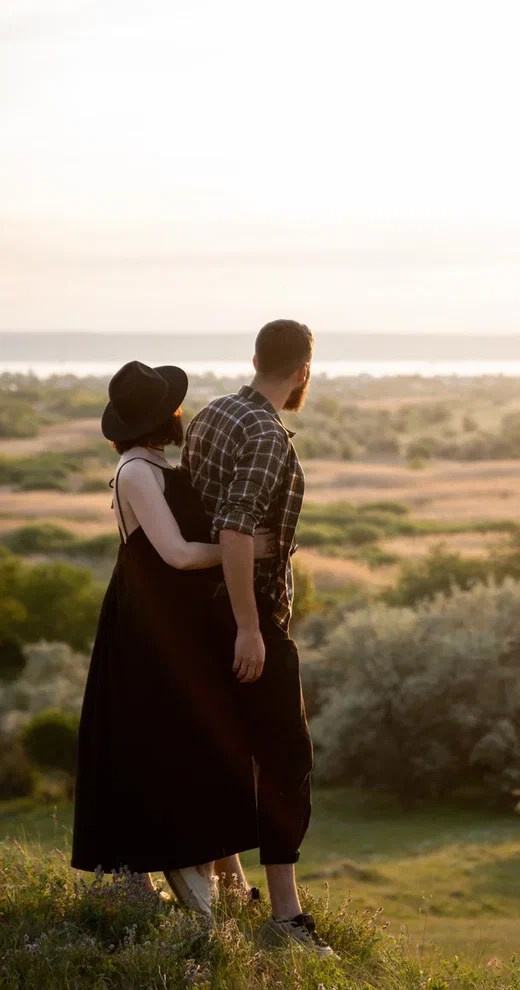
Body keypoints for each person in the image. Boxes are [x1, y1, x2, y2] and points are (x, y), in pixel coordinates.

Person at [71, 360, 275, 918]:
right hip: (149, 630)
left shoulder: (155, 464)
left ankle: (227, 887)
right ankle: (197, 892)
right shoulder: (137, 471)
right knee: (175, 747)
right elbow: (178, 555)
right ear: (167, 415)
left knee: (200, 744)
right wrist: (248, 550)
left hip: (174, 626)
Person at [181, 319, 332, 955]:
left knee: (229, 746)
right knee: (286, 758)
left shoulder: (213, 412)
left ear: (253, 359)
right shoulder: (268, 435)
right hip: (247, 614)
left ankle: (227, 877)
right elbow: (236, 528)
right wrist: (250, 626)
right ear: (303, 371)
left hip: (199, 611)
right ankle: (286, 918)